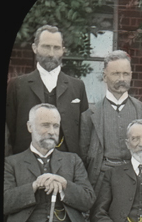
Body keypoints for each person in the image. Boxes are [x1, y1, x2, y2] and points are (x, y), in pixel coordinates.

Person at [6, 25, 89, 156]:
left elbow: (85, 134)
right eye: (46, 47)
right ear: (35, 48)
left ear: (63, 50)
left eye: (56, 48)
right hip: (26, 165)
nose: (51, 54)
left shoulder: (77, 86)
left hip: (67, 165)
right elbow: (8, 132)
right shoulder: (17, 85)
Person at [80, 50, 142, 189]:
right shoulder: (91, 114)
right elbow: (83, 155)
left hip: (135, 180)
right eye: (116, 74)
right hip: (101, 180)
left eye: (125, 74)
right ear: (105, 76)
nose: (121, 78)